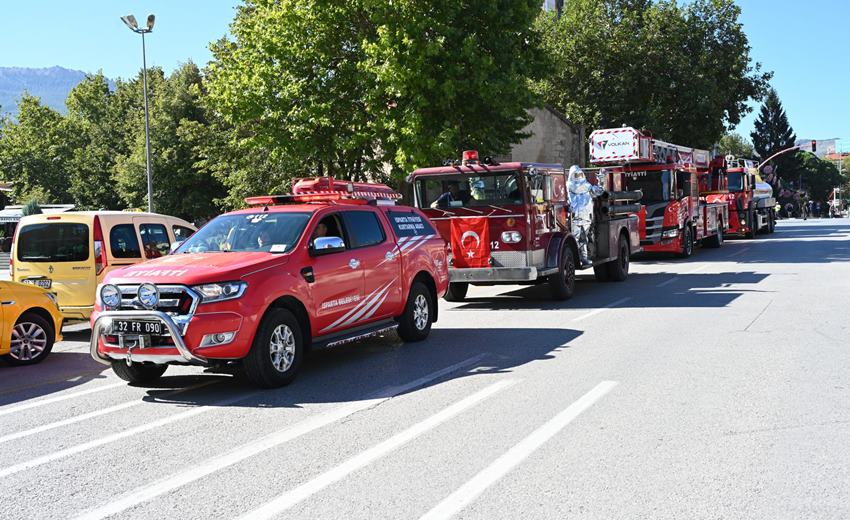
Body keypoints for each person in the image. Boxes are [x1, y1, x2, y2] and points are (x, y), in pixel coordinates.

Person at [567, 165, 603, 267]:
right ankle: (576, 260)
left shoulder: (588, 187)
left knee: (584, 240)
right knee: (575, 240)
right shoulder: (567, 187)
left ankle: (584, 258)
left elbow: (600, 191)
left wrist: (601, 180)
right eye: (576, 174)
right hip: (573, 219)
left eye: (579, 174)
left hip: (586, 219)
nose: (578, 176)